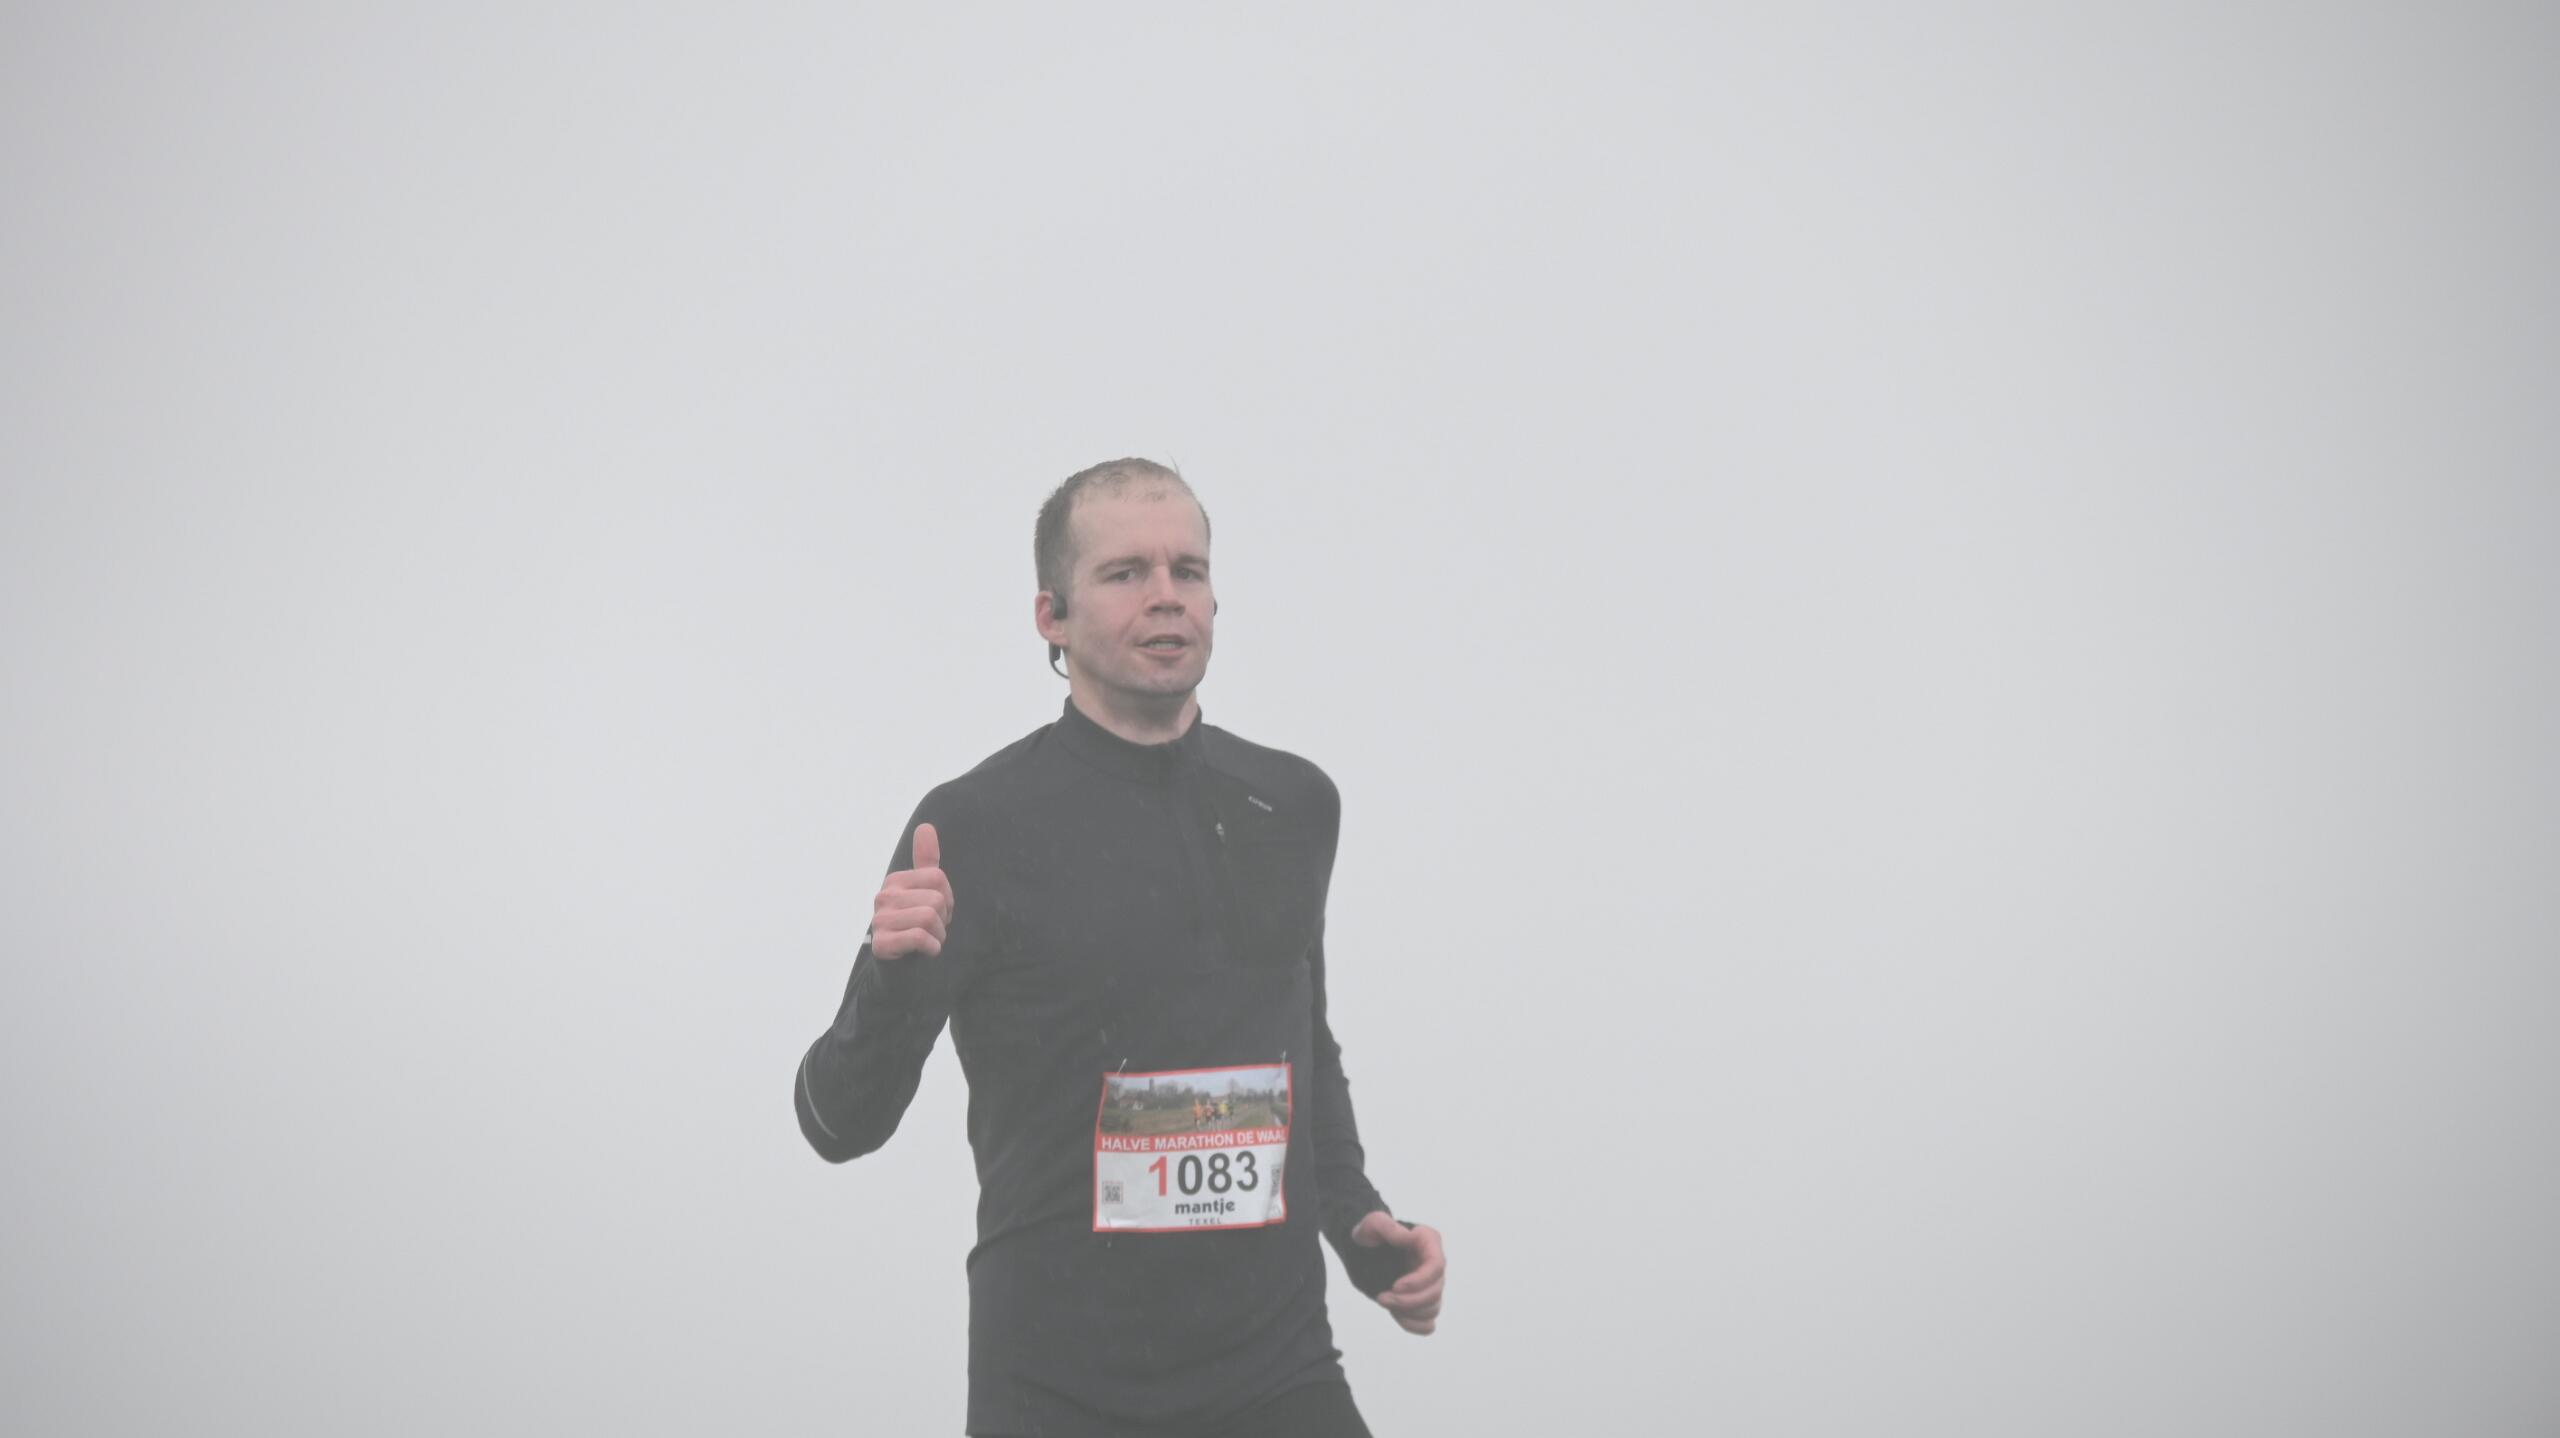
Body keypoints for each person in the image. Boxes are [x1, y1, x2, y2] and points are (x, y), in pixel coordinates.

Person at [794, 459, 1445, 1438]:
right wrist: (886, 976)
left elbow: (1299, 1048)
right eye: (1126, 572)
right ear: (1051, 617)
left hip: (1276, 1375)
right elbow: (838, 1123)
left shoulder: (1291, 804)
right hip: (1058, 1390)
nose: (1166, 595)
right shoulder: (974, 827)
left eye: (1189, 569)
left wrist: (1357, 1220)